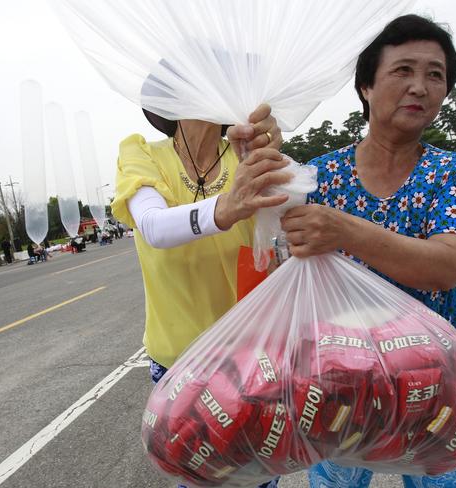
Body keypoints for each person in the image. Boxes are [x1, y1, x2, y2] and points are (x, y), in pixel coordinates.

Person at [275, 15, 456, 488]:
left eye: (435, 75)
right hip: (341, 387)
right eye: (403, 70)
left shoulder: (455, 171)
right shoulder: (318, 178)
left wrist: (343, 228)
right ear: (366, 86)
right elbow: (273, 247)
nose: (420, 87)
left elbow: (444, 267)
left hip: (436, 386)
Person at [111, 96, 288, 488]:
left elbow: (289, 213)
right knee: (200, 478)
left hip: (249, 358)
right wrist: (227, 206)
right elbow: (154, 227)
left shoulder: (242, 154)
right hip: (179, 359)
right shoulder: (142, 153)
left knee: (257, 477)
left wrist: (272, 156)